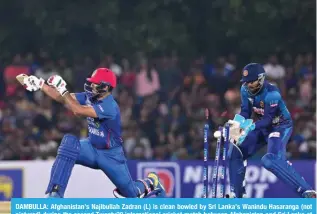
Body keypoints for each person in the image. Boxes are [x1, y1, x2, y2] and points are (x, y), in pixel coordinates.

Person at [19, 68, 166, 198]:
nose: (92, 85)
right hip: (91, 147)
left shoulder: (110, 106)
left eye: (96, 83)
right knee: (68, 144)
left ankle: (152, 182)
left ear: (106, 87)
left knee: (132, 195)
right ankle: (55, 193)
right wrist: (40, 84)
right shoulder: (90, 96)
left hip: (111, 155)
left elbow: (78, 110)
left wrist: (63, 90)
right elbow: (62, 98)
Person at [226, 63, 316, 198]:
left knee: (269, 160)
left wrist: (250, 127)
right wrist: (237, 124)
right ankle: (237, 195)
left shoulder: (272, 93)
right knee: (235, 151)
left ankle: (307, 191)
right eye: (246, 82)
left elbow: (268, 119)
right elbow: (245, 111)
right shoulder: (244, 89)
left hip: (280, 126)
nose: (249, 85)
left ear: (261, 78)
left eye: (252, 81)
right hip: (262, 127)